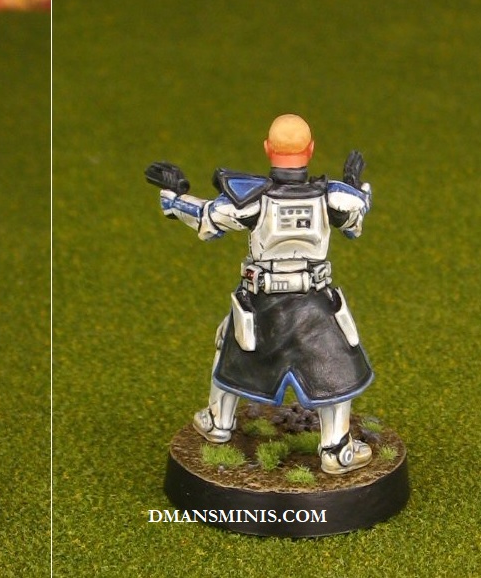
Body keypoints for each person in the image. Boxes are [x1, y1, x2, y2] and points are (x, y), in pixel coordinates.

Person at [150, 114, 374, 474]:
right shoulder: (333, 197)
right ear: (311, 149)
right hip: (312, 303)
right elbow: (354, 219)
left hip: (264, 303)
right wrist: (355, 186)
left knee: (234, 348)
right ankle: (336, 448)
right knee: (331, 366)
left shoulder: (251, 199)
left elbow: (207, 217)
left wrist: (175, 196)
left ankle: (218, 421)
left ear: (268, 149)